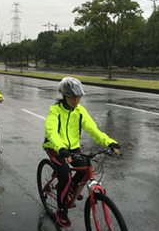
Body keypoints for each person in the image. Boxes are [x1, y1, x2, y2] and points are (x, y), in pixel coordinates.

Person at [43, 77, 120, 227]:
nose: (76, 100)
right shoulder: (55, 110)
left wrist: (109, 142)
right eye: (72, 97)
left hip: (72, 148)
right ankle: (61, 210)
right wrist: (61, 148)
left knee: (84, 167)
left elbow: (93, 130)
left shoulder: (80, 111)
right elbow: (51, 132)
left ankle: (70, 188)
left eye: (79, 96)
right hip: (55, 147)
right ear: (64, 96)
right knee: (65, 174)